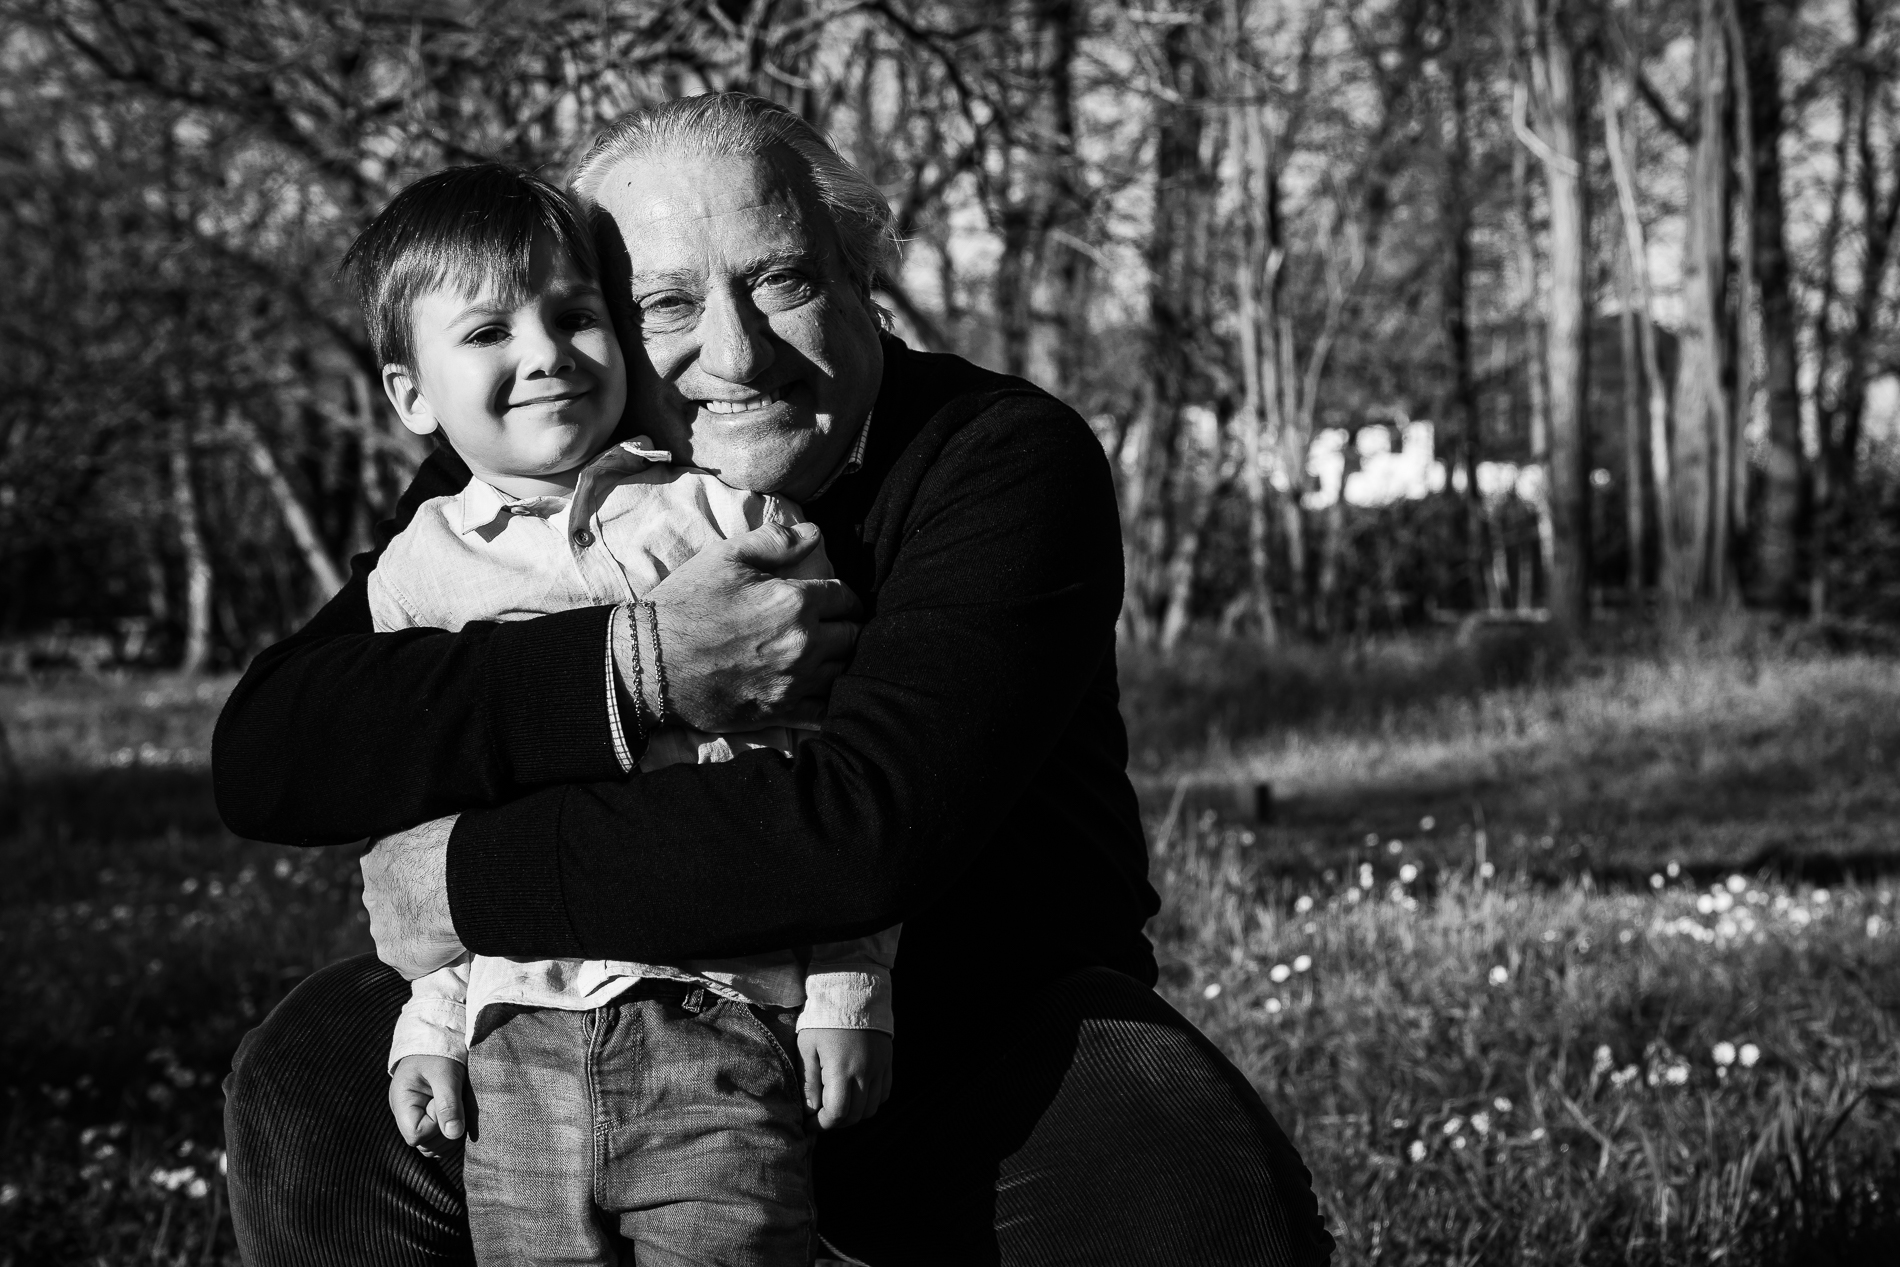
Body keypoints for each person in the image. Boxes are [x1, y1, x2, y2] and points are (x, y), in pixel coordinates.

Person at [216, 92, 1334, 1267]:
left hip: (955, 1036)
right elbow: (276, 748)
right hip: (565, 1017)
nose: (737, 352)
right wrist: (635, 667)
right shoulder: (524, 471)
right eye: (664, 304)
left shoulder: (997, 456)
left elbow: (865, 829)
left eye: (782, 280)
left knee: (1184, 1180)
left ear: (862, 280)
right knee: (313, 1072)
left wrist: (465, 877)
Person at [336, 162, 897, 1266]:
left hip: (719, 1019)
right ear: (410, 397)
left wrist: (848, 990)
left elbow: (827, 777)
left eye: (576, 316)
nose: (546, 353)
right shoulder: (414, 574)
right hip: (512, 1043)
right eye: (487, 332)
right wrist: (430, 1024)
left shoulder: (725, 516)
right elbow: (421, 823)